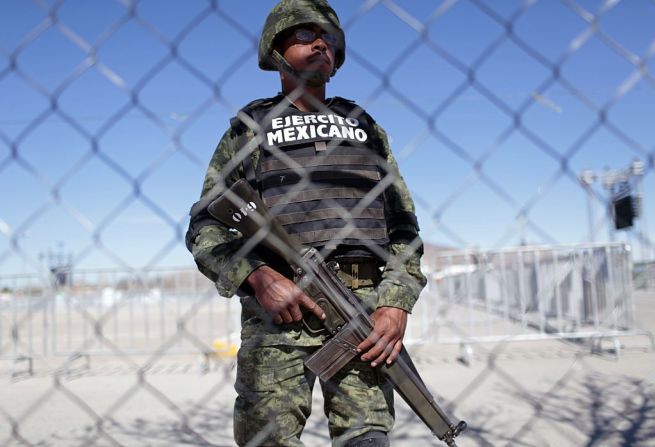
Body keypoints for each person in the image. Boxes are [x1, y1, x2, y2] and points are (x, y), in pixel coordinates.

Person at [186, 1, 426, 445]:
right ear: (275, 52)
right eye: (304, 34)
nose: (321, 43)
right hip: (278, 317)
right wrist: (258, 278)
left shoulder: (365, 128)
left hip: (364, 315)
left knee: (367, 438)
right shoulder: (250, 130)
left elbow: (403, 226)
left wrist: (396, 302)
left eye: (329, 37)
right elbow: (206, 225)